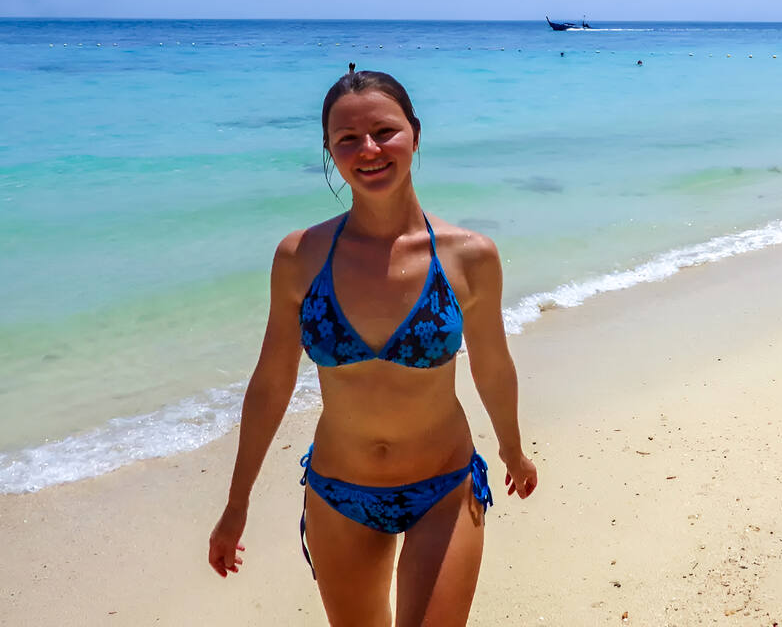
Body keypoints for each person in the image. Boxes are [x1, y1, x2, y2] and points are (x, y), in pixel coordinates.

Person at [208, 64, 537, 626]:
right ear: (331, 152)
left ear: (414, 132)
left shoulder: (468, 256)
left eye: (384, 131)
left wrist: (511, 448)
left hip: (443, 486)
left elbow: (492, 364)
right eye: (347, 139)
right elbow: (271, 382)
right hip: (339, 495)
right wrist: (236, 504)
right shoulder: (300, 256)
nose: (368, 149)